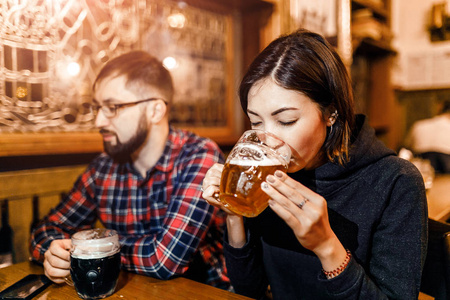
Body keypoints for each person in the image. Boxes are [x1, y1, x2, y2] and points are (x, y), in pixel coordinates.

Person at [201, 29, 428, 299]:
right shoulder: (266, 175)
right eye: (256, 122)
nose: (268, 141)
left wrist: (326, 245)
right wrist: (233, 213)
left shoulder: (396, 182)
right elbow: (249, 289)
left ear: (331, 112)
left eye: (286, 121)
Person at [30, 50, 231, 290]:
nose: (99, 122)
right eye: (97, 108)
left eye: (113, 107)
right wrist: (53, 254)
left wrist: (91, 248)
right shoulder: (103, 169)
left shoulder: (198, 156)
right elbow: (44, 231)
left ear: (155, 111)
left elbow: (165, 260)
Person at [404, 100, 450, 173]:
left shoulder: (419, 125)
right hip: (446, 170)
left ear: (439, 108)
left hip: (421, 169)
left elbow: (407, 147)